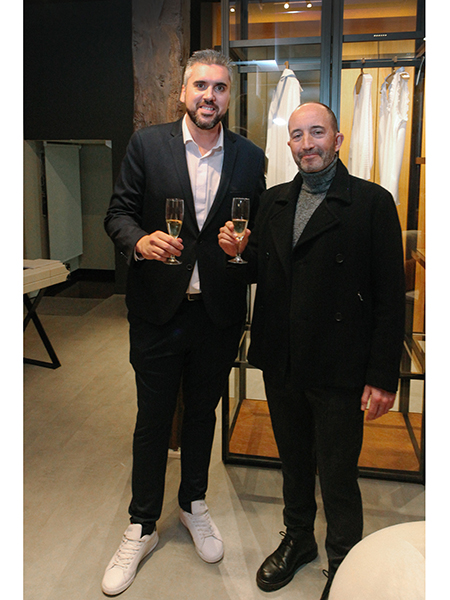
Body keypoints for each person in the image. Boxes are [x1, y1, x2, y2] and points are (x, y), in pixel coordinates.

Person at [219, 102, 405, 600]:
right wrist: (241, 256)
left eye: (317, 133)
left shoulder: (371, 202)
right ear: (289, 145)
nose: (307, 144)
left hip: (340, 364)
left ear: (338, 139)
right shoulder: (275, 201)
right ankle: (299, 540)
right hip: (282, 359)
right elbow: (268, 266)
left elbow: (390, 298)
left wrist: (384, 375)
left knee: (338, 474)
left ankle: (345, 559)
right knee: (295, 463)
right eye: (298, 136)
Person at [102, 49, 265, 596]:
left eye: (220, 88)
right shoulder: (148, 144)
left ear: (228, 96)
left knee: (202, 415)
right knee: (152, 420)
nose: (209, 97)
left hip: (217, 314)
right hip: (156, 311)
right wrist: (139, 241)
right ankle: (142, 524)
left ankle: (193, 503)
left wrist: (245, 246)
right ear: (182, 92)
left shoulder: (249, 156)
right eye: (200, 86)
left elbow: (257, 231)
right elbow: (118, 213)